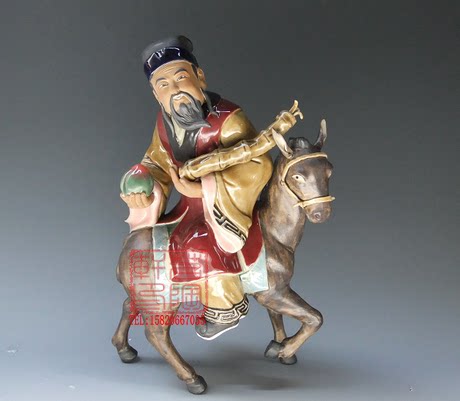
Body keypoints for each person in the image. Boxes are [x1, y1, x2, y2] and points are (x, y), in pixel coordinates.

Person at [120, 35, 273, 340]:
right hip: (186, 207)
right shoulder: (165, 123)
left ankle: (224, 307)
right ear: (155, 94)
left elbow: (258, 164)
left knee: (199, 243)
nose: (175, 89)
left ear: (200, 77)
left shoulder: (229, 118)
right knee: (161, 240)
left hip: (224, 208)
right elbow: (156, 161)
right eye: (163, 84)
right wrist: (139, 181)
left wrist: (204, 190)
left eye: (181, 78)